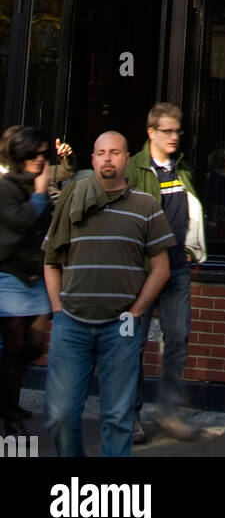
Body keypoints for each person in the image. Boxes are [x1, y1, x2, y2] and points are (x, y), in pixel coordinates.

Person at [43, 131, 173, 458]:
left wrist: (138, 311)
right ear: (93, 159)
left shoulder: (146, 206)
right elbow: (50, 261)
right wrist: (57, 308)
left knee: (118, 417)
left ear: (127, 158)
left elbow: (161, 269)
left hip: (122, 326)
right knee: (59, 416)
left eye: (114, 152)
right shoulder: (73, 200)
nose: (107, 159)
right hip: (71, 323)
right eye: (101, 153)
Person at [127, 102, 206, 443]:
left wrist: (190, 249)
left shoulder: (181, 168)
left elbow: (189, 209)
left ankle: (169, 412)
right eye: (168, 131)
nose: (175, 137)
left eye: (178, 131)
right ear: (151, 132)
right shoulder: (134, 169)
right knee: (132, 343)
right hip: (142, 271)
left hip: (176, 268)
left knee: (177, 338)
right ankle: (128, 416)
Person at [0, 127, 53, 434]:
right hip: (8, 275)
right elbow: (20, 221)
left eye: (43, 154)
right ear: (19, 156)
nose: (39, 159)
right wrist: (39, 195)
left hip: (34, 278)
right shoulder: (6, 187)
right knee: (14, 346)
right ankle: (9, 414)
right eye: (33, 154)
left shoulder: (40, 185)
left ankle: (7, 398)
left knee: (33, 346)